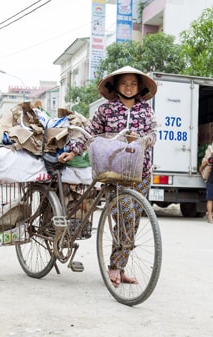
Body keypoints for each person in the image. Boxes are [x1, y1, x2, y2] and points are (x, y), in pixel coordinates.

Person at [60, 66, 158, 287]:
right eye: (125, 83)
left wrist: (141, 140)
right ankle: (114, 268)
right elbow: (90, 133)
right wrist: (74, 150)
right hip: (114, 173)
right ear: (116, 86)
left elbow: (153, 134)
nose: (129, 87)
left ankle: (119, 267)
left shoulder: (146, 111)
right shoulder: (106, 110)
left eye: (133, 83)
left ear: (139, 87)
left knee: (132, 223)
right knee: (124, 217)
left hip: (140, 173)